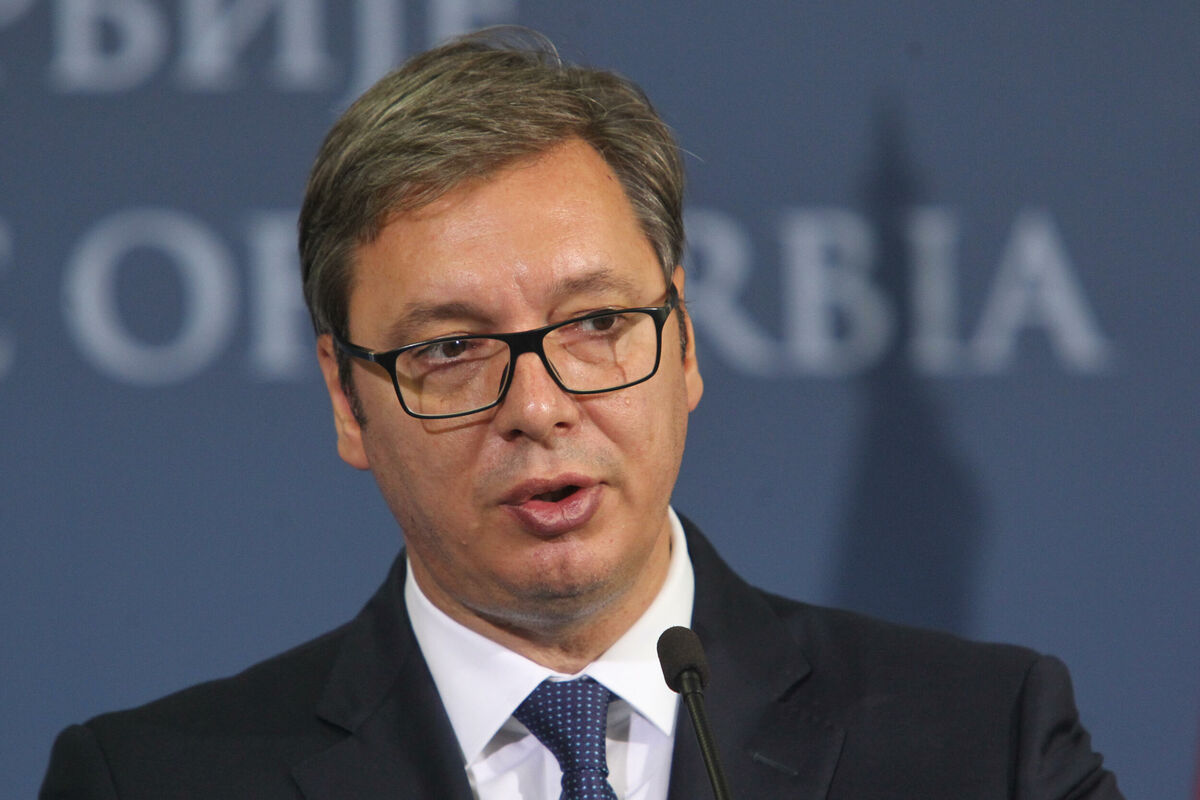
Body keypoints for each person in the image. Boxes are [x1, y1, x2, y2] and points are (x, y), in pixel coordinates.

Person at [40, 27, 1122, 800]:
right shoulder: (150, 779)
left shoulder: (986, 745)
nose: (540, 405)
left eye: (597, 322)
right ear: (347, 398)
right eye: (450, 348)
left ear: (684, 341)